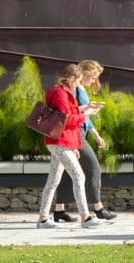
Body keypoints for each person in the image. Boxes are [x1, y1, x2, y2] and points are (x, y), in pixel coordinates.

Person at [36, 64, 103, 229]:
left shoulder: (62, 92)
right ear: (71, 78)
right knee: (79, 177)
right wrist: (85, 115)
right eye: (78, 80)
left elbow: (68, 114)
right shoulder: (60, 94)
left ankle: (43, 218)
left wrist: (86, 108)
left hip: (60, 142)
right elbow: (67, 120)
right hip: (60, 143)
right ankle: (85, 217)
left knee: (53, 180)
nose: (79, 83)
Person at [52, 59, 117, 222]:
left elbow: (82, 116)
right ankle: (98, 208)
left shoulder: (77, 89)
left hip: (75, 134)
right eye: (93, 77)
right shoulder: (77, 89)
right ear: (85, 74)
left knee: (66, 173)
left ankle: (59, 210)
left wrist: (95, 134)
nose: (94, 81)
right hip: (76, 135)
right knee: (93, 169)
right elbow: (74, 115)